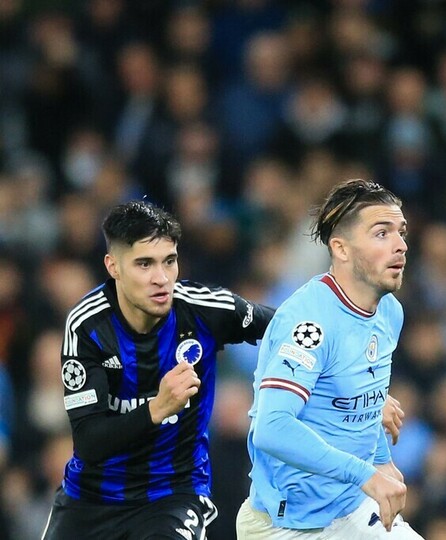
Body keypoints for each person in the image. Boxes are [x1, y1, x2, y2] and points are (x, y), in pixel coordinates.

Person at [41, 200, 406, 539]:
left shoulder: (203, 308)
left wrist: (358, 389)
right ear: (113, 267)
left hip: (172, 496)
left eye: (169, 261)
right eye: (144, 264)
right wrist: (157, 407)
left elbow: (297, 333)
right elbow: (89, 442)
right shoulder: (88, 326)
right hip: (90, 498)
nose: (162, 278)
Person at [236, 179, 423, 539]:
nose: (400, 245)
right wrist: (367, 474)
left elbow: (362, 392)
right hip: (288, 526)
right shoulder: (310, 323)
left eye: (401, 232)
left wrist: (381, 458)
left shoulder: (389, 312)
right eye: (381, 233)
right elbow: (271, 427)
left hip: (351, 509)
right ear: (341, 248)